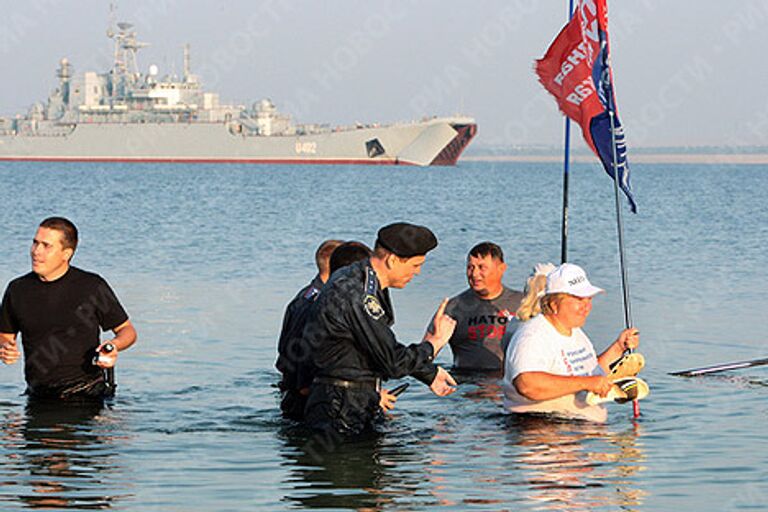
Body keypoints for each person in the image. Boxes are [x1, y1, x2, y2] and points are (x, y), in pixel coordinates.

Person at [303, 222, 458, 435]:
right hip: (342, 408)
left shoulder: (360, 279)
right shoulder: (358, 293)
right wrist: (432, 345)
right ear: (393, 260)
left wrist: (429, 373)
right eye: (415, 265)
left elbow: (377, 345)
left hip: (348, 399)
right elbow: (392, 362)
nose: (418, 272)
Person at [0, 217, 137, 399]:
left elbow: (127, 331)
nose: (36, 251)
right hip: (38, 395)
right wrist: (5, 348)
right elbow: (4, 335)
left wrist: (112, 346)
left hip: (86, 393)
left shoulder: (92, 286)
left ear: (66, 253)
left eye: (46, 246)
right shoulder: (17, 289)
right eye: (35, 243)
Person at [502, 263, 639, 422]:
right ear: (554, 304)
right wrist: (586, 383)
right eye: (579, 299)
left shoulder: (576, 332)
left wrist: (618, 348)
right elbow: (527, 385)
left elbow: (589, 374)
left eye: (589, 299)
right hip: (542, 429)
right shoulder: (532, 336)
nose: (586, 307)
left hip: (577, 433)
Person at [276, 239, 343, 419]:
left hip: (294, 391)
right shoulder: (322, 304)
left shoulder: (303, 297)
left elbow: (284, 355)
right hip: (310, 397)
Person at [435, 242, 523, 371]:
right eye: (470, 267)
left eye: (482, 267)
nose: (475, 274)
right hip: (468, 380)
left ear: (501, 269)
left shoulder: (523, 303)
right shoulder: (453, 307)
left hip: (507, 381)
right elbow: (428, 351)